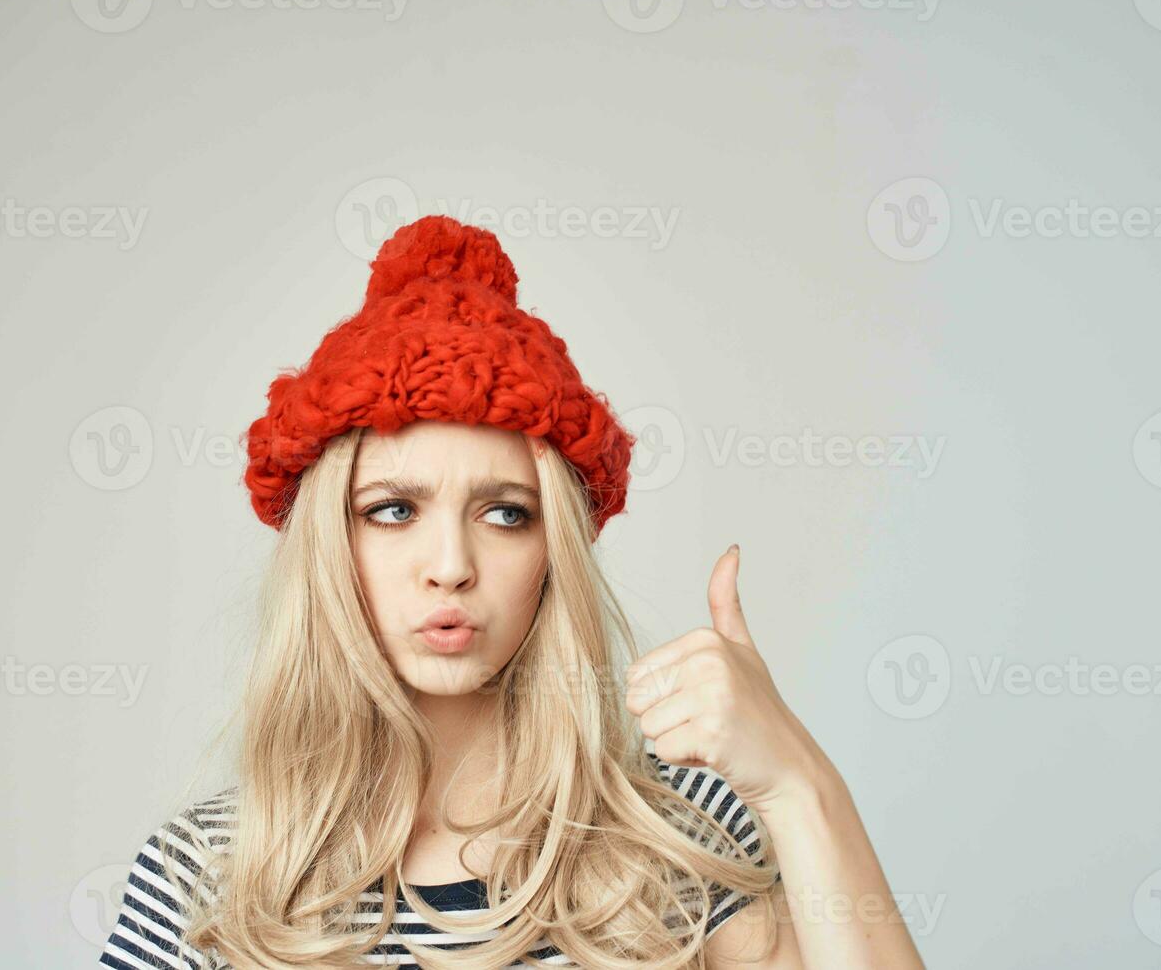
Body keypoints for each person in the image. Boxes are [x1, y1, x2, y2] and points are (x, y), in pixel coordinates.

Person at [99, 215, 924, 969]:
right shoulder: (206, 877)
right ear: (328, 545)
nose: (451, 564)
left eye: (503, 513)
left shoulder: (676, 837)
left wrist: (797, 782)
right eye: (393, 510)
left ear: (552, 550)